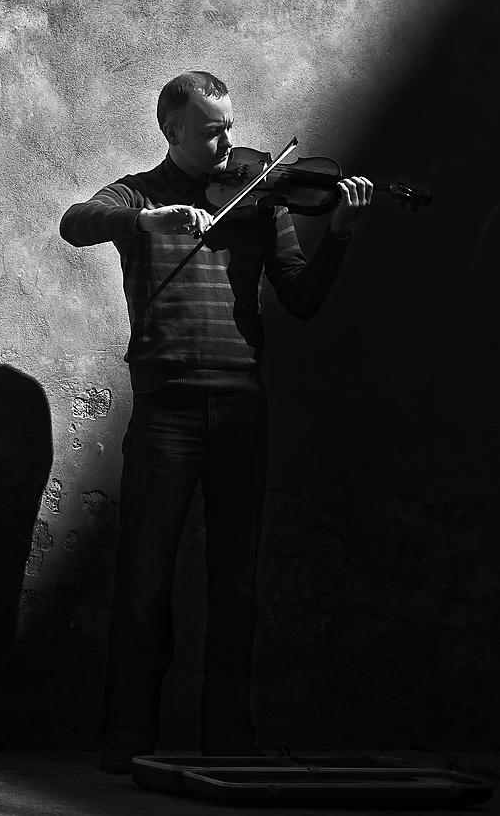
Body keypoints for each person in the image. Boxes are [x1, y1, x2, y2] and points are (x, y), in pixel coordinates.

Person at [59, 71, 372, 774]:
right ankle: (128, 734)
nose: (228, 143)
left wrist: (339, 235)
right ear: (171, 131)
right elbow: (76, 221)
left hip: (241, 407)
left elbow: (301, 298)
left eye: (229, 127)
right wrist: (148, 222)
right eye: (210, 132)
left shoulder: (260, 197)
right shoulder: (138, 195)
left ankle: (230, 736)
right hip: (165, 411)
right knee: (144, 579)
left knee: (237, 585)